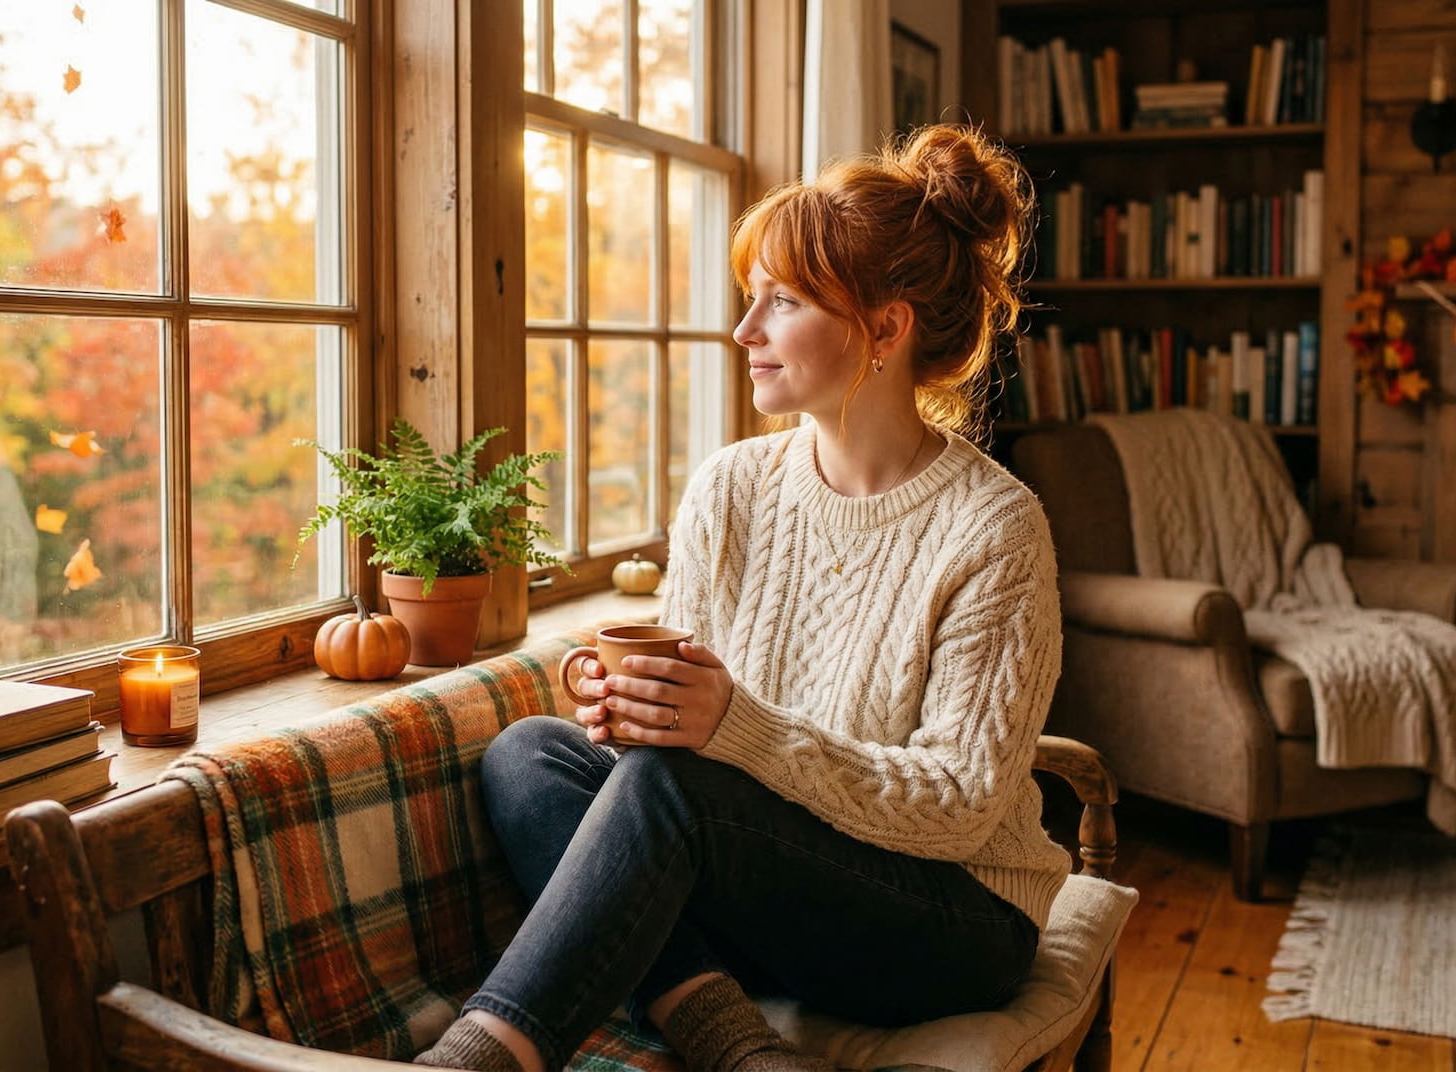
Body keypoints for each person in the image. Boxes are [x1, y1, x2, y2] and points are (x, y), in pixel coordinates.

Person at [414, 123, 1069, 1072]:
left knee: (677, 784)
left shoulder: (995, 530)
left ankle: (479, 1058)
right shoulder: (734, 485)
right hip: (771, 883)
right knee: (530, 754)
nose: (744, 331)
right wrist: (625, 704)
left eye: (783, 302)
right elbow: (687, 731)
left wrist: (734, 731)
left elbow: (963, 803)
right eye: (748, 299)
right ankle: (733, 1042)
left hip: (949, 919)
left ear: (886, 328)